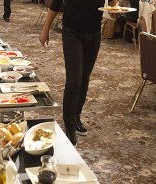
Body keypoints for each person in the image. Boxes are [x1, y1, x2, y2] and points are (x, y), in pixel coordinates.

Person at [39, 0, 118, 146]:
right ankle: (69, 125)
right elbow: (56, 3)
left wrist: (115, 8)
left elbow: (113, 2)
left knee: (84, 78)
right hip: (72, 31)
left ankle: (76, 117)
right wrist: (45, 29)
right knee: (74, 79)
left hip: (94, 32)